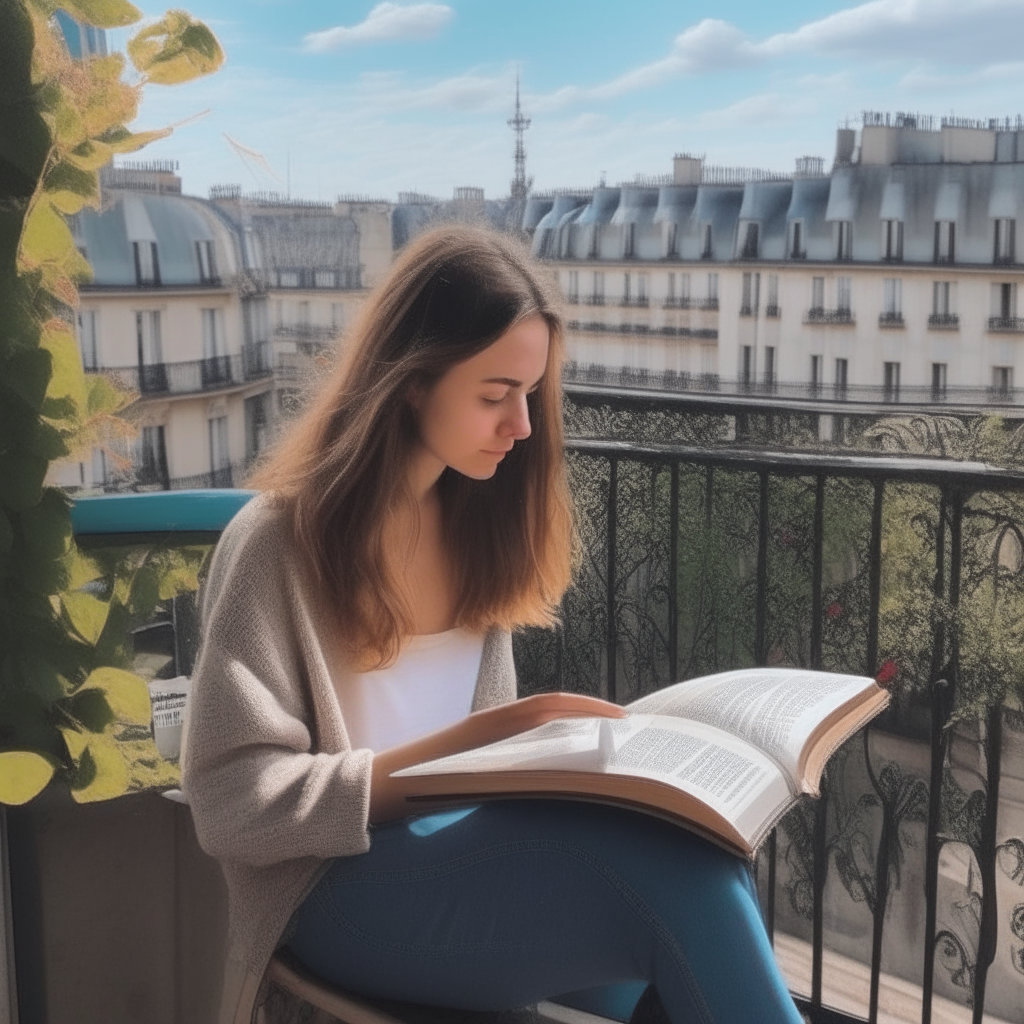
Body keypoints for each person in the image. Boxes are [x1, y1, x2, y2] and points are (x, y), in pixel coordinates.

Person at [181, 225, 803, 1024]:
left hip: (458, 865)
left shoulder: (475, 530)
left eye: (530, 394)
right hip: (329, 889)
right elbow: (229, 799)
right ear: (411, 380)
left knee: (700, 865)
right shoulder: (278, 544)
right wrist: (483, 744)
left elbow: (485, 792)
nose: (523, 426)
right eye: (494, 394)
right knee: (679, 897)